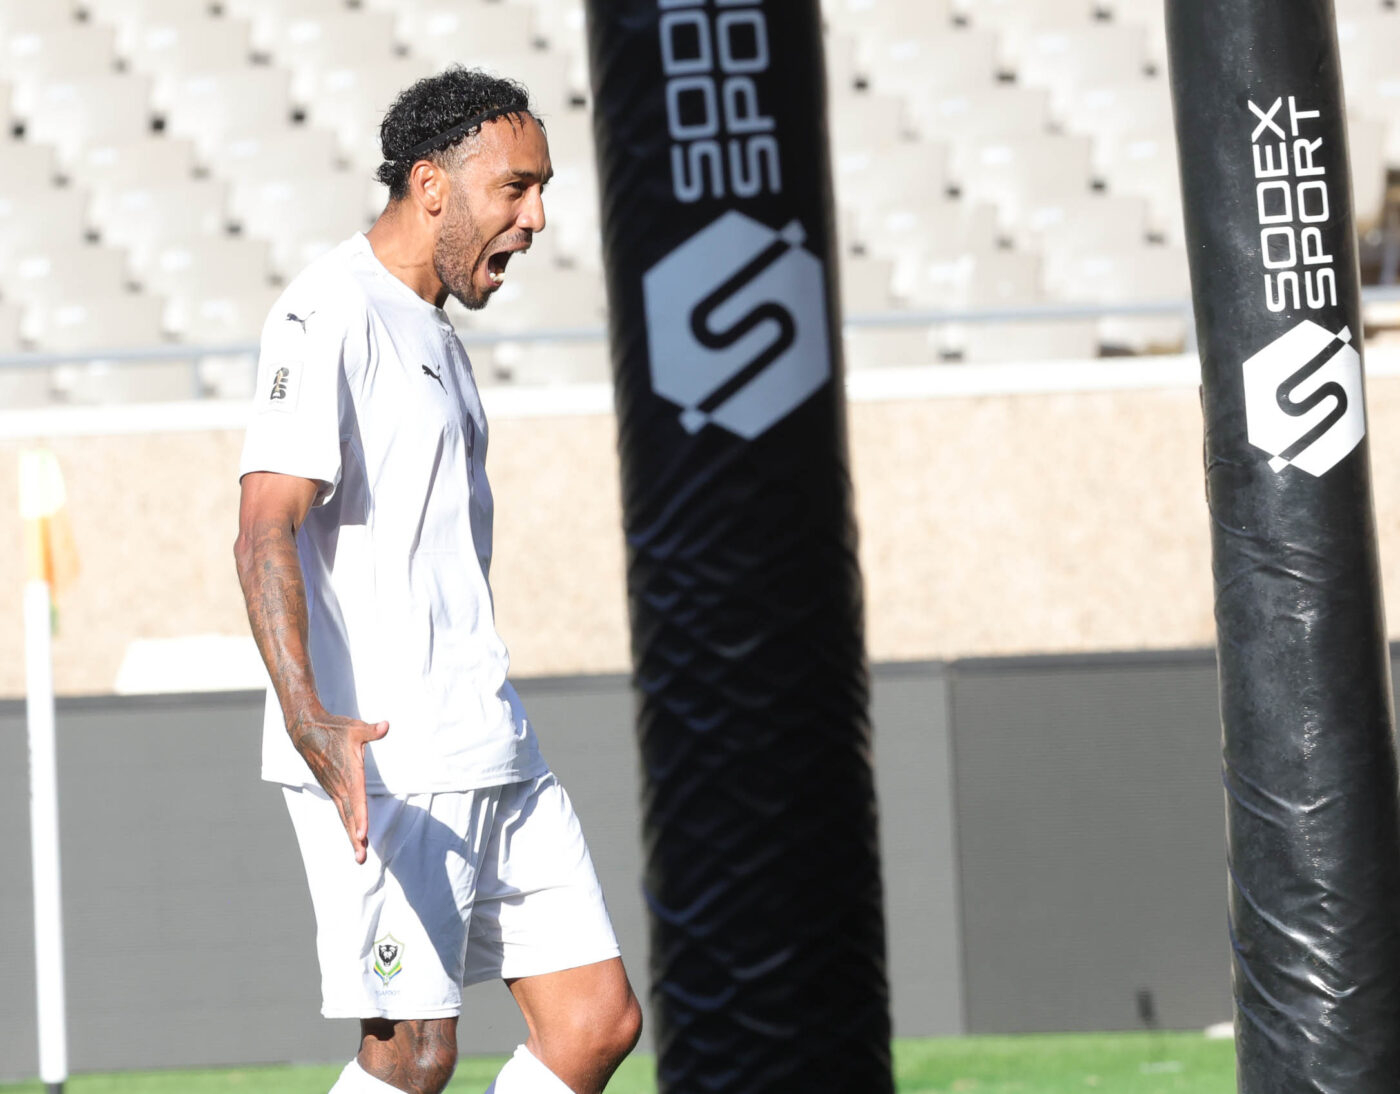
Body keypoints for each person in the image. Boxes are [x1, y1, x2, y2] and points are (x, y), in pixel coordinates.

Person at [232, 68, 642, 1094]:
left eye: (541, 189)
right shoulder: (327, 310)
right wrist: (309, 716)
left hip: (490, 735)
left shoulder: (434, 331)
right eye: (514, 188)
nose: (536, 218)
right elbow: (263, 524)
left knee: (594, 1023)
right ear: (429, 185)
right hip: (390, 756)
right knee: (412, 1055)